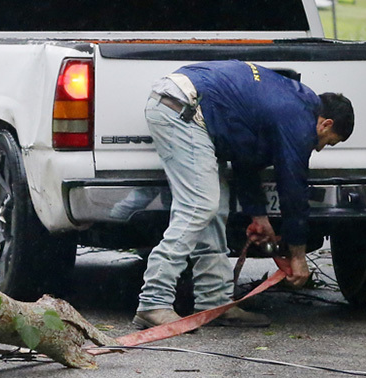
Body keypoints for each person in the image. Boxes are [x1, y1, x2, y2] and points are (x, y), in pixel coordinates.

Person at [133, 60, 354, 329]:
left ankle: (214, 303)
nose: (319, 149)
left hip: (191, 108)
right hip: (182, 109)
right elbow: (293, 188)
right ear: (325, 123)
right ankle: (153, 302)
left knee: (214, 210)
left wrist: (259, 216)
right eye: (328, 141)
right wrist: (298, 255)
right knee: (199, 206)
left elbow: (245, 161)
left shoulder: (289, 105)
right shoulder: (297, 118)